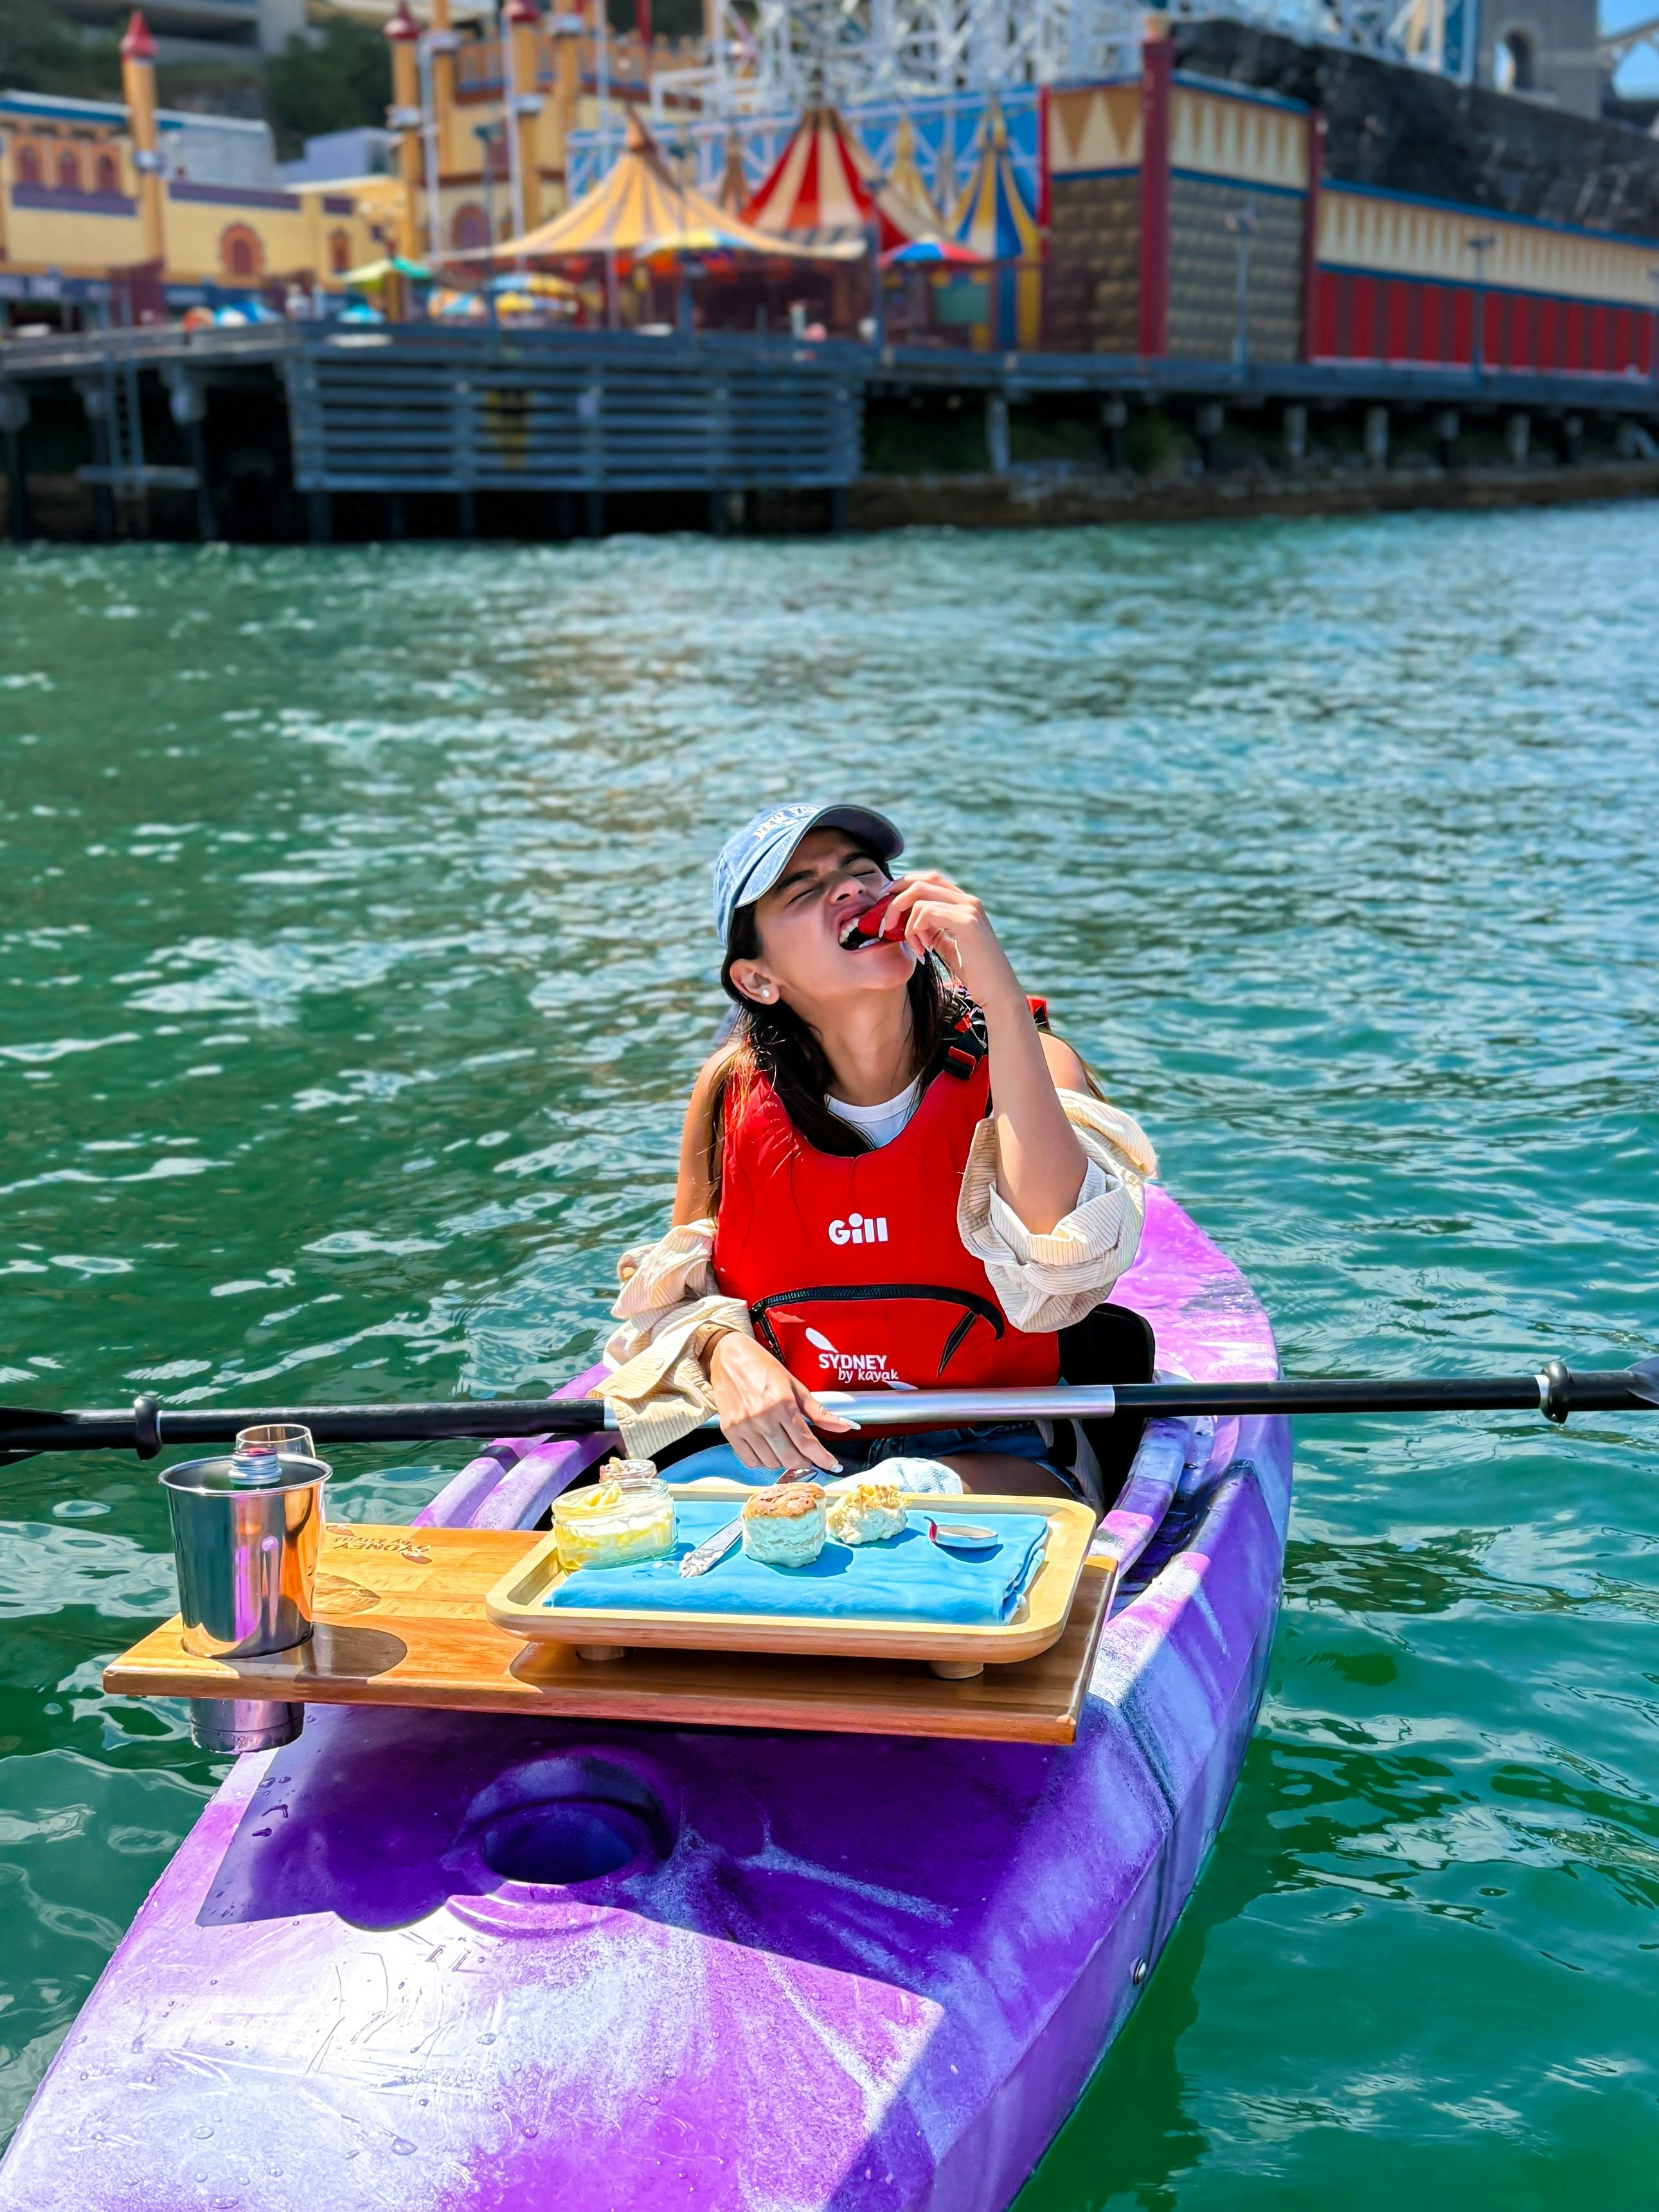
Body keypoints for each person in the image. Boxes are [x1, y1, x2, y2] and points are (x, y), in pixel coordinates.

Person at [598, 802, 1158, 1510]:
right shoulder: (727, 1089)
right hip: (793, 1447)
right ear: (757, 980)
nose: (850, 890)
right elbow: (678, 1295)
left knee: (896, 1498)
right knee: (646, 1516)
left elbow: (1062, 1262)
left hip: (996, 1446)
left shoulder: (1032, 1061)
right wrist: (722, 1349)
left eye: (864, 874)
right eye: (803, 891)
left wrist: (1000, 998)